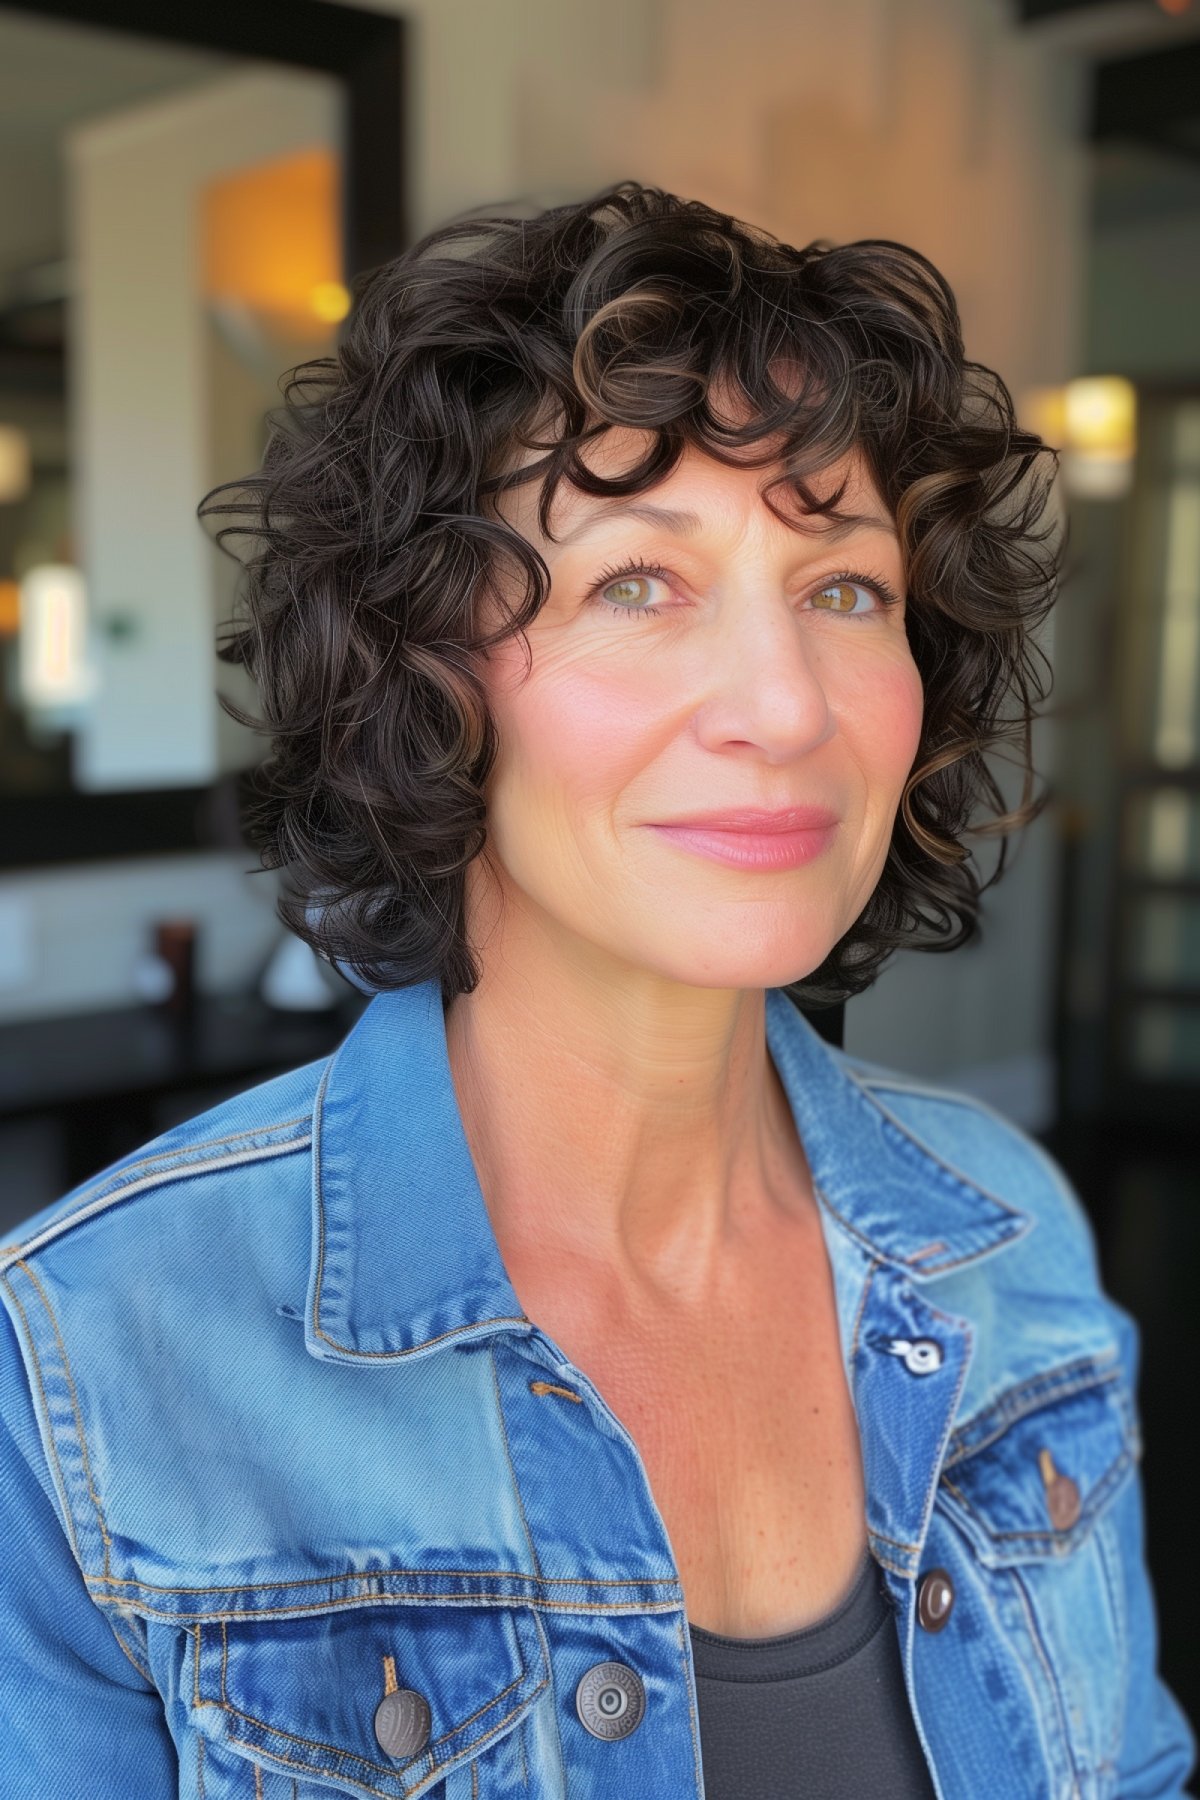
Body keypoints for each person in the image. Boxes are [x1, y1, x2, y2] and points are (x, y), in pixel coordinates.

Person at [0, 180, 1194, 1799]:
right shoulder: (80, 1365)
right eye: (640, 582)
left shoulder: (1008, 1239)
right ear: (418, 672)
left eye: (845, 589)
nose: (784, 706)